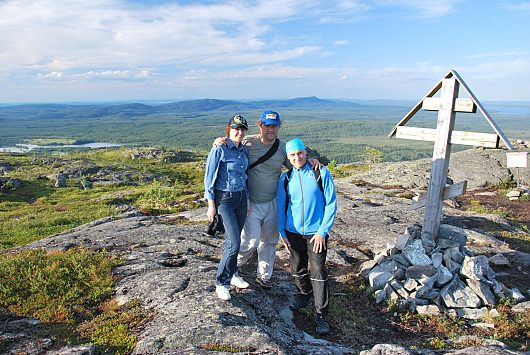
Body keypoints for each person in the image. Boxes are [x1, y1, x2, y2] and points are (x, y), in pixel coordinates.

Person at [215, 110, 320, 289]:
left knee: (269, 241)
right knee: (250, 241)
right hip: (250, 203)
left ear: (279, 127)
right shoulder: (248, 143)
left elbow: (296, 164)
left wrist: (312, 161)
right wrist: (219, 141)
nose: (271, 129)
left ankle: (264, 276)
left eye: (274, 126)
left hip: (273, 202)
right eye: (267, 125)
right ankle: (232, 269)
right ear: (260, 125)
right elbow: (230, 148)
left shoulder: (282, 148)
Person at [276, 138, 337, 335]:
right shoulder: (285, 179)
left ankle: (321, 315)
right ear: (288, 157)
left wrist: (322, 232)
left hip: (315, 234)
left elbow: (331, 203)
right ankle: (305, 294)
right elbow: (281, 207)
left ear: (305, 153)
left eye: (300, 153)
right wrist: (282, 232)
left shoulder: (321, 173)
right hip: (293, 233)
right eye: (292, 155)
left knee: (318, 271)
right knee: (297, 268)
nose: (297, 157)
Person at [204, 114, 250, 301]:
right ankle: (221, 282)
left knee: (233, 240)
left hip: (241, 198)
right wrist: (211, 205)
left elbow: (245, 176)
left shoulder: (243, 151)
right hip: (225, 200)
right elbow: (209, 178)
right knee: (234, 243)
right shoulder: (219, 149)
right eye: (235, 129)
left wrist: (246, 200)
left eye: (242, 129)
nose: (239, 132)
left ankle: (234, 274)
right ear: (228, 130)